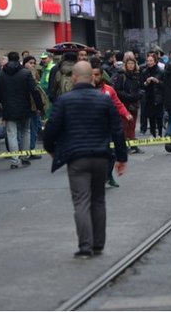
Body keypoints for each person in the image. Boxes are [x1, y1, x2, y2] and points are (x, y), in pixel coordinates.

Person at [43, 61, 127, 259]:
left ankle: (85, 246)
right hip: (101, 157)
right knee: (98, 200)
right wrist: (121, 157)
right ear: (92, 77)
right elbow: (117, 129)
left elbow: (51, 128)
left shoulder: (64, 100)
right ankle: (98, 244)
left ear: (74, 77)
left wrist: (51, 150)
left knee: (81, 201)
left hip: (76, 157)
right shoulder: (104, 100)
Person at [0, 52, 44, 169]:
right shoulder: (25, 73)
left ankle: (15, 160)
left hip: (8, 108)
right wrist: (39, 107)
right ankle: (25, 157)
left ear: (9, 60)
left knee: (11, 134)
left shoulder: (1, 75)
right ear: (19, 59)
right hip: (24, 107)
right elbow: (34, 91)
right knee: (26, 131)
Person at [90, 58, 132, 188]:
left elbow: (118, 104)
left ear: (101, 75)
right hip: (90, 128)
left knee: (110, 153)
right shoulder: (83, 91)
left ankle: (108, 176)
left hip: (106, 127)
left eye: (96, 75)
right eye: (91, 74)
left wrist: (126, 114)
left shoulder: (109, 90)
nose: (94, 77)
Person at [113, 58, 143, 154]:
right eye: (129, 63)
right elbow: (117, 90)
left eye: (132, 63)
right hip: (125, 104)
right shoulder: (121, 75)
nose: (131, 65)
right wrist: (129, 96)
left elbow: (139, 87)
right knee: (124, 126)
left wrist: (139, 94)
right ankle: (124, 147)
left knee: (132, 125)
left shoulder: (137, 75)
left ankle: (133, 145)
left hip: (134, 104)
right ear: (126, 65)